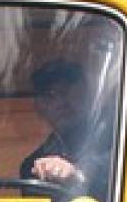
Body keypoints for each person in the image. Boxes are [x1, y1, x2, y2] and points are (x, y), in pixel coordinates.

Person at [19, 59, 112, 188]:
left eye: (67, 91)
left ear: (87, 95)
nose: (61, 103)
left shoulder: (117, 137)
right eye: (50, 95)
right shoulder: (31, 167)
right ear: (39, 108)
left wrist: (78, 175)